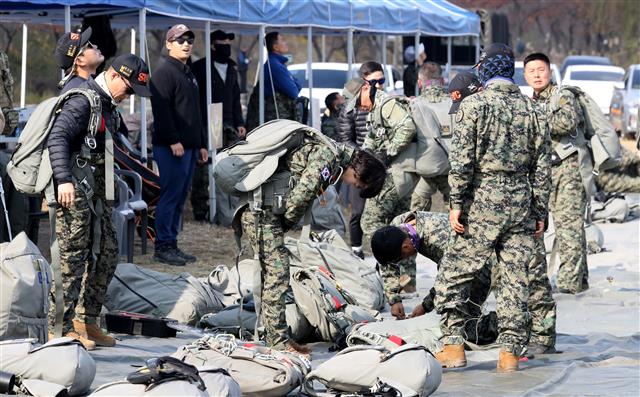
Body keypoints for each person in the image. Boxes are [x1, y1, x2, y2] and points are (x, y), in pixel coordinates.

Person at [434, 44, 551, 372]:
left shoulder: (473, 105)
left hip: (481, 204)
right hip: (520, 204)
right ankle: (509, 354)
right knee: (515, 280)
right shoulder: (534, 110)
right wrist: (540, 210)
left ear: (485, 69)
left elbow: (461, 162)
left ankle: (454, 346)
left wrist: (456, 203)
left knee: (453, 276)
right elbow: (542, 168)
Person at [238, 139, 387, 355]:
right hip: (260, 208)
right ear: (357, 172)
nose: (351, 186)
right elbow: (301, 195)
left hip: (266, 206)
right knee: (277, 273)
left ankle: (276, 337)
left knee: (275, 273)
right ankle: (277, 341)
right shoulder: (329, 157)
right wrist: (287, 222)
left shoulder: (334, 157)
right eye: (357, 185)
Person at [47, 54, 152, 350]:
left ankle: (86, 319)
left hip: (99, 193)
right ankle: (59, 327)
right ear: (116, 75)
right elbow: (57, 137)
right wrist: (63, 179)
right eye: (129, 89)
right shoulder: (83, 100)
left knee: (106, 254)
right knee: (71, 260)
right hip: (75, 190)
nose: (129, 96)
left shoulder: (107, 103)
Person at [371, 211, 496, 345]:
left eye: (401, 258)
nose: (403, 261)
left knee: (465, 328)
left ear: (406, 246)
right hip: (460, 265)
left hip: (484, 265)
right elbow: (388, 267)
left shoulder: (439, 239)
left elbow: (449, 281)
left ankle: (510, 325)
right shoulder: (397, 228)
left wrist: (425, 305)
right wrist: (394, 299)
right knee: (465, 327)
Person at [524, 52, 589, 294]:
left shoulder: (563, 96)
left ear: (550, 72)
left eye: (541, 70)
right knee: (554, 227)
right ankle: (579, 280)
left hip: (568, 169)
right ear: (525, 75)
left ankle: (570, 285)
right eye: (532, 71)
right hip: (545, 171)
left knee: (568, 227)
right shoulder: (531, 101)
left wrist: (534, 121)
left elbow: (566, 123)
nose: (537, 75)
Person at [150, 24, 208, 266]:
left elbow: (195, 112)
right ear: (168, 44)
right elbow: (162, 111)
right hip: (171, 147)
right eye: (180, 40)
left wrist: (202, 143)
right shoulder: (164, 73)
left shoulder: (188, 72)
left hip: (190, 146)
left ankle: (172, 242)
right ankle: (162, 246)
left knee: (180, 196)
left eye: (189, 40)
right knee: (170, 196)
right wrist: (173, 139)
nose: (186, 44)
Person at [191, 29, 245, 224]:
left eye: (228, 42)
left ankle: (227, 207)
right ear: (213, 45)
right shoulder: (199, 67)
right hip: (207, 122)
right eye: (222, 42)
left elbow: (236, 96)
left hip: (228, 123)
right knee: (205, 168)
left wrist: (239, 122)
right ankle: (200, 208)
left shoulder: (232, 68)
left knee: (228, 165)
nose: (227, 46)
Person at [336, 63, 387, 259]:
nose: (380, 86)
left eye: (383, 81)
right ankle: (356, 249)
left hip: (384, 164)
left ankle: (383, 250)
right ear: (365, 82)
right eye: (376, 82)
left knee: (381, 212)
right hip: (362, 166)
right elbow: (345, 139)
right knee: (357, 212)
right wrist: (362, 161)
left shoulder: (386, 102)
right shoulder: (350, 108)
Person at [410, 61, 452, 212]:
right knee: (458, 215)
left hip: (424, 169)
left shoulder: (414, 105)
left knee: (415, 217)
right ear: (442, 81)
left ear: (420, 82)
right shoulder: (456, 104)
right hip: (450, 167)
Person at [245, 31, 301, 131]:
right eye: (282, 40)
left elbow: (297, 85)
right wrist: (294, 82)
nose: (286, 43)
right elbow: (294, 91)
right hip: (274, 120)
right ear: (275, 47)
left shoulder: (278, 64)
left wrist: (294, 83)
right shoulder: (274, 65)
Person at [54, 27, 105, 93]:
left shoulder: (82, 87)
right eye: (89, 45)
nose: (95, 46)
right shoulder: (77, 92)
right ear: (80, 61)